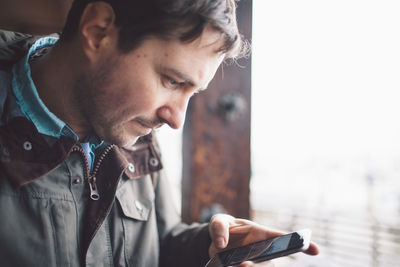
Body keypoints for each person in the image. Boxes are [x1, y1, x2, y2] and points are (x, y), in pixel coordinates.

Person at [0, 0, 319, 266]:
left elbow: (160, 241)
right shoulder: (125, 113)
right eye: (171, 81)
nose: (176, 119)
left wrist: (205, 246)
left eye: (192, 93)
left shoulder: (129, 122)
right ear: (98, 32)